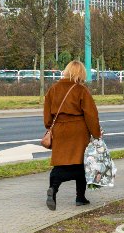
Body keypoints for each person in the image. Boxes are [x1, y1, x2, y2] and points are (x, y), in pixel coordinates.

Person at [43, 61, 103, 209]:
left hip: (59, 130)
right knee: (81, 163)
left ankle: (54, 188)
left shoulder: (53, 89)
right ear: (80, 73)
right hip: (78, 130)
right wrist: (96, 133)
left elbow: (47, 114)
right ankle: (80, 197)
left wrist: (50, 127)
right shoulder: (81, 90)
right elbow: (91, 115)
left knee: (61, 162)